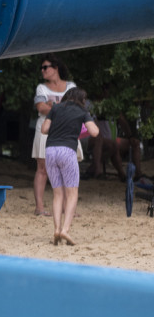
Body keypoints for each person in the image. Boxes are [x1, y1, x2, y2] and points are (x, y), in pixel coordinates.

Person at [41, 87, 99, 246]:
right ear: (82, 99)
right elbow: (94, 132)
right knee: (72, 193)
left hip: (50, 151)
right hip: (67, 151)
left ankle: (56, 229)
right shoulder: (82, 111)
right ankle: (65, 230)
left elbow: (44, 129)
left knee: (57, 194)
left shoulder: (56, 108)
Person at [31, 55, 76, 216]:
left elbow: (75, 106)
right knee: (42, 168)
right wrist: (62, 107)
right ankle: (40, 207)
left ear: (55, 68)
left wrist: (53, 106)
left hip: (65, 129)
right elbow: (41, 108)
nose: (42, 71)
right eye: (41, 68)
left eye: (45, 67)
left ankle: (67, 207)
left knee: (67, 167)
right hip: (45, 128)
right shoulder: (41, 88)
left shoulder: (70, 86)